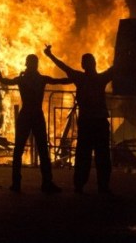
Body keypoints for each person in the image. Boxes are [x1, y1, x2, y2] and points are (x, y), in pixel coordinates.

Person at [0, 54, 71, 193]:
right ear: (35, 64)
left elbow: (8, 82)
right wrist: (74, 79)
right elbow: (58, 81)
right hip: (36, 114)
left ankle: (17, 183)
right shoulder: (40, 79)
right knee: (42, 149)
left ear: (27, 64)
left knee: (19, 149)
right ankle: (46, 183)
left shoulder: (22, 79)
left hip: (26, 115)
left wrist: (0, 78)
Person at [44, 45, 114, 194]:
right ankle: (102, 187)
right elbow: (115, 69)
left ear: (83, 65)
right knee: (102, 157)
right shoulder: (101, 78)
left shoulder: (81, 78)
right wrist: (125, 55)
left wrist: (50, 55)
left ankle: (80, 185)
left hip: (88, 122)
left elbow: (64, 67)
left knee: (84, 155)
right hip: (99, 122)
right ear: (94, 64)